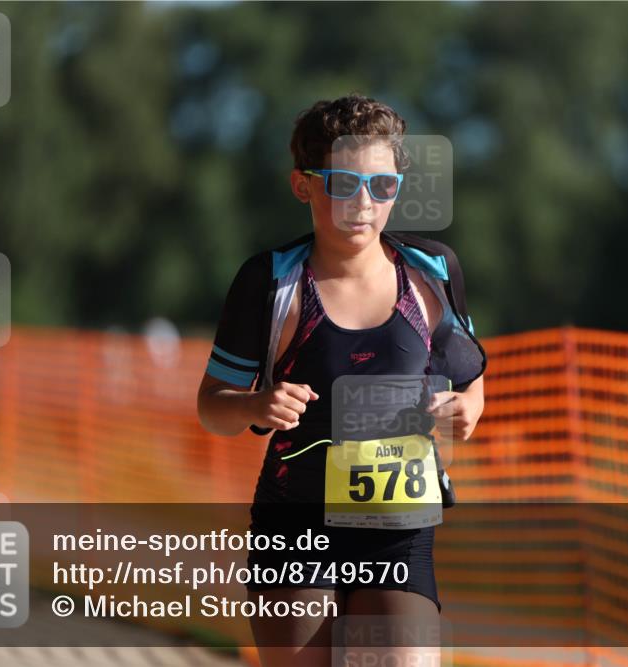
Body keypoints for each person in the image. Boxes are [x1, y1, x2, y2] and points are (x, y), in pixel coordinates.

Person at [197, 94, 485, 667]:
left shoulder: (432, 272)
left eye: (382, 186)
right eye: (344, 183)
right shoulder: (270, 282)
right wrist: (255, 404)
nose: (364, 203)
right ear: (303, 185)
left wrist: (469, 407)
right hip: (295, 526)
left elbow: (471, 373)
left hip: (397, 530)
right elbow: (211, 406)